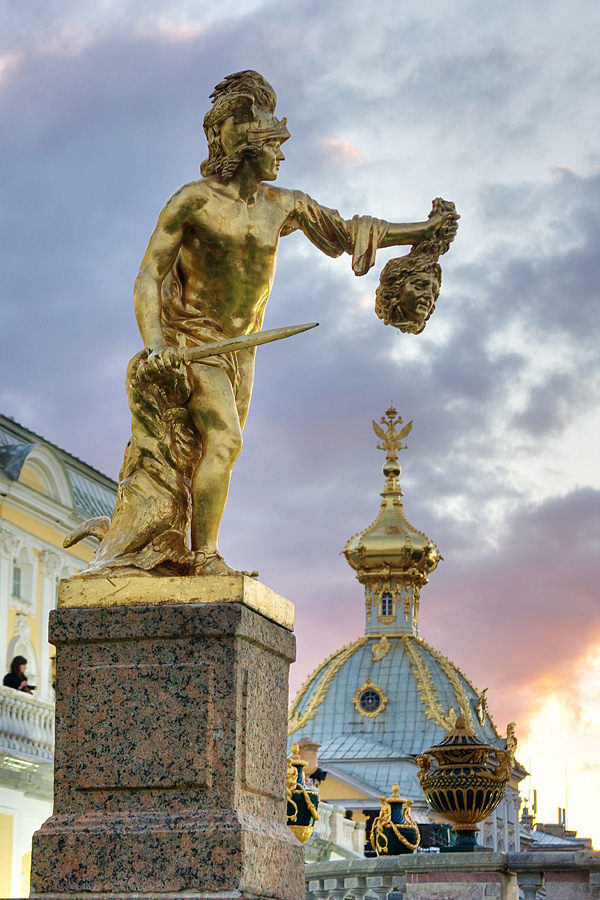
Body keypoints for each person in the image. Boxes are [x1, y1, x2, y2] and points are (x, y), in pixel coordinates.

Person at [69, 70, 457, 578]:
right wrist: (157, 344)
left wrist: (422, 232)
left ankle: (165, 546)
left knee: (206, 453)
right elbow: (148, 276)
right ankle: (206, 558)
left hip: (241, 351)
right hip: (194, 339)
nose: (282, 154)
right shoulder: (193, 202)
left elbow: (348, 232)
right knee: (225, 440)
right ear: (249, 146)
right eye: (275, 143)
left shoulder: (283, 205)